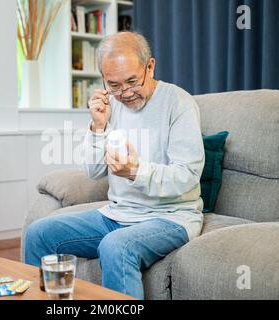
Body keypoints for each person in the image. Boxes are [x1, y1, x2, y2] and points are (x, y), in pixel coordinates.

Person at [24, 32, 205, 299]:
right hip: (117, 215)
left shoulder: (178, 103)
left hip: (170, 217)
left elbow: (187, 175)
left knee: (116, 246)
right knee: (39, 233)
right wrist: (98, 127)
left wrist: (136, 171)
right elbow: (93, 171)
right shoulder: (112, 106)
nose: (126, 93)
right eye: (114, 85)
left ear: (150, 67)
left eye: (132, 81)